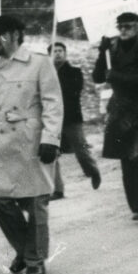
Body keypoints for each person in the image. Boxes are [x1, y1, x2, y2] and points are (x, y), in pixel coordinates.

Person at [0, 15, 63, 274]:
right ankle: (26, 250)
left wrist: (51, 139)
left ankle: (34, 258)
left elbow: (53, 103)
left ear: (15, 34)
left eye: (1, 35)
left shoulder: (39, 62)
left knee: (36, 201)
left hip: (31, 142)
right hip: (1, 145)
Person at [92, 12, 138, 225]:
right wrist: (102, 54)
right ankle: (136, 206)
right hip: (120, 110)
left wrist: (118, 77)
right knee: (126, 159)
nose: (123, 30)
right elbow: (97, 77)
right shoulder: (112, 49)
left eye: (128, 26)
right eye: (120, 26)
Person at [50, 42, 101, 199]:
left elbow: (74, 90)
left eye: (60, 51)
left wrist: (55, 84)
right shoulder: (46, 73)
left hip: (71, 117)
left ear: (65, 54)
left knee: (81, 149)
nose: (57, 53)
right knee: (52, 154)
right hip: (53, 118)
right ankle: (58, 189)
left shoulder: (74, 72)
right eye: (54, 51)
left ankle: (93, 171)